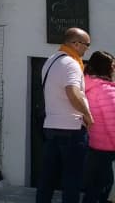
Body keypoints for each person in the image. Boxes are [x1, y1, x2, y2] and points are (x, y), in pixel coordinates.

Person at [36, 27, 94, 203]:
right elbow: (72, 92)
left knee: (47, 178)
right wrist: (87, 114)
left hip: (51, 126)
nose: (87, 49)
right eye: (86, 44)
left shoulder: (51, 60)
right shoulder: (71, 64)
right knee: (72, 179)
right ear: (75, 43)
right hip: (72, 128)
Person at [83, 51, 115, 203]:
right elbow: (112, 123)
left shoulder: (85, 86)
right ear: (106, 68)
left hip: (92, 144)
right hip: (106, 147)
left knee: (92, 188)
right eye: (112, 66)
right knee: (104, 185)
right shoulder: (106, 91)